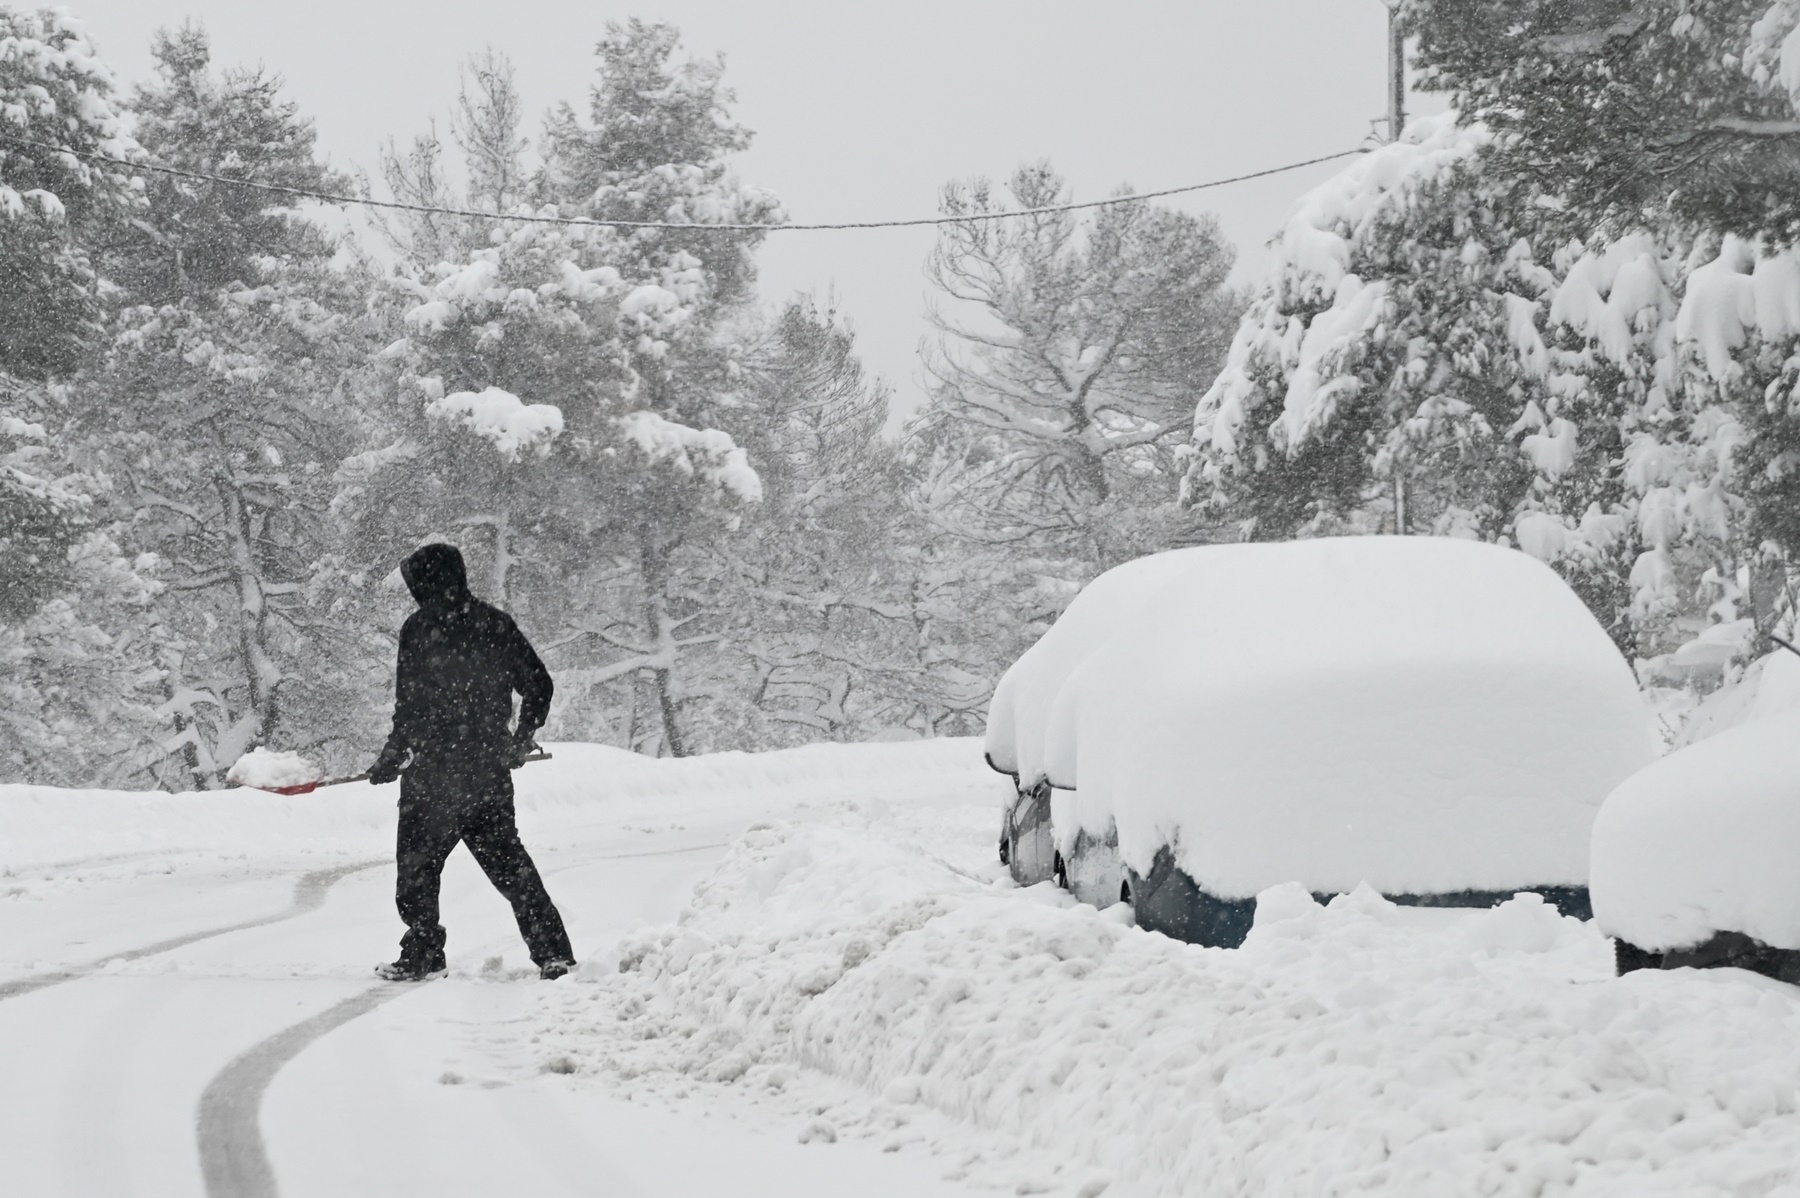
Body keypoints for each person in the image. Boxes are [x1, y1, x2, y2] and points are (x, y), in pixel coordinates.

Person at [368, 542, 575, 982]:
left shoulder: (424, 630)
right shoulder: (490, 625)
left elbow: (409, 708)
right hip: (476, 774)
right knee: (509, 871)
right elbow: (537, 684)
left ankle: (425, 951)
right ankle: (551, 955)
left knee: (418, 873)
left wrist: (393, 755)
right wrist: (520, 737)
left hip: (439, 777)